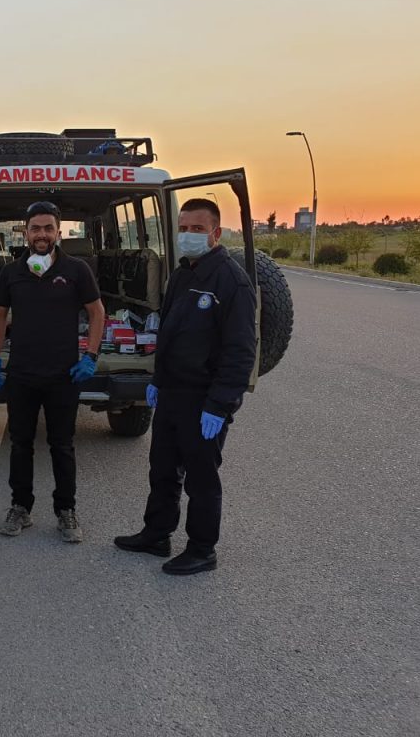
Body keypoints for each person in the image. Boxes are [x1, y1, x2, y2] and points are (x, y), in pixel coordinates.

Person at [114, 198, 257, 575]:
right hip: (173, 393)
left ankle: (202, 548)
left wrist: (220, 404)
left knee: (201, 477)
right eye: (183, 228)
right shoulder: (182, 274)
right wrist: (157, 381)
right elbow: (170, 334)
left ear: (215, 233)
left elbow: (241, 351)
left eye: (197, 229)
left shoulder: (231, 281)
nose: (189, 236)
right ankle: (157, 533)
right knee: (162, 468)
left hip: (204, 399)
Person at [0, 201, 105, 543]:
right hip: (22, 375)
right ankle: (20, 508)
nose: (41, 234)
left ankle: (65, 510)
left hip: (63, 376)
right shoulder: (12, 272)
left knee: (62, 445)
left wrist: (91, 356)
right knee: (20, 444)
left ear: (58, 232)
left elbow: (97, 312)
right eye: (35, 228)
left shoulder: (76, 269)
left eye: (48, 228)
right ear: (26, 232)